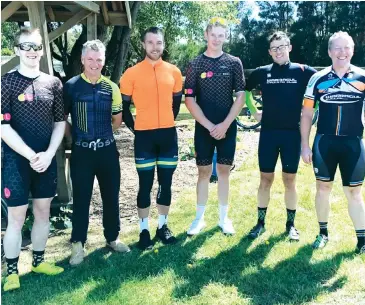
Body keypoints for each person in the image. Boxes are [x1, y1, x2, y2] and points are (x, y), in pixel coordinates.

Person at [1, 27, 65, 291]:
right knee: (16, 218)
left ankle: (39, 261)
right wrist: (30, 155)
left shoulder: (53, 83)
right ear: (17, 49)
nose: (32, 52)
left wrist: (49, 154)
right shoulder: (6, 82)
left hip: (46, 160)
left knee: (42, 212)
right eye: (26, 46)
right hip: (16, 162)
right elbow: (2, 127)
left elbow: (60, 123)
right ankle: (12, 272)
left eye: (37, 46)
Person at [245, 31, 317, 241]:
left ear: (289, 47)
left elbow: (320, 89)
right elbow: (245, 91)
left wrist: (309, 111)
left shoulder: (303, 71)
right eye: (274, 48)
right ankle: (260, 223)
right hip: (268, 134)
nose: (278, 51)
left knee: (289, 181)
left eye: (282, 46)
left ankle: (290, 224)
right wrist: (253, 110)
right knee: (265, 180)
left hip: (291, 136)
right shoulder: (262, 72)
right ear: (269, 52)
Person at [64, 40, 130, 266]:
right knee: (81, 200)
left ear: (104, 61)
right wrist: (76, 139)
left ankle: (112, 237)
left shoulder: (112, 87)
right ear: (82, 60)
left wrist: (101, 137)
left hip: (107, 152)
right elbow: (62, 120)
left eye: (99, 59)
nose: (94, 64)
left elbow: (117, 120)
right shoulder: (71, 86)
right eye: (90, 59)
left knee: (111, 196)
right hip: (81, 153)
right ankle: (78, 244)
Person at [301, 31, 365, 254]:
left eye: (346, 47)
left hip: (353, 144)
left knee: (355, 193)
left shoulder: (362, 77)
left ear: (353, 50)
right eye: (337, 48)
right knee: (323, 188)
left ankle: (362, 240)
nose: (342, 52)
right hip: (324, 143)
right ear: (329, 51)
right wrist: (305, 145)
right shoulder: (317, 78)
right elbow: (307, 114)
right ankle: (323, 233)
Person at [120, 27, 183, 250]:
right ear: (143, 45)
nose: (155, 47)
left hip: (167, 135)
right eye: (150, 43)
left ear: (163, 45)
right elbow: (124, 107)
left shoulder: (174, 72)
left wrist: (167, 121)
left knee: (166, 184)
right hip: (144, 137)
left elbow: (176, 104)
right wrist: (136, 129)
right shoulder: (131, 73)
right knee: (144, 185)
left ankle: (163, 226)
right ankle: (144, 230)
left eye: (158, 43)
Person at [184, 17, 245, 235]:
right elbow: (189, 100)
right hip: (204, 126)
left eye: (221, 35)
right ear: (206, 35)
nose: (217, 39)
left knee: (223, 171)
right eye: (213, 35)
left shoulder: (234, 62)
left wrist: (225, 124)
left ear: (225, 37)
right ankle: (199, 219)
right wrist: (211, 126)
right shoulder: (195, 64)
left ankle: (223, 218)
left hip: (227, 126)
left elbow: (240, 96)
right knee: (203, 172)